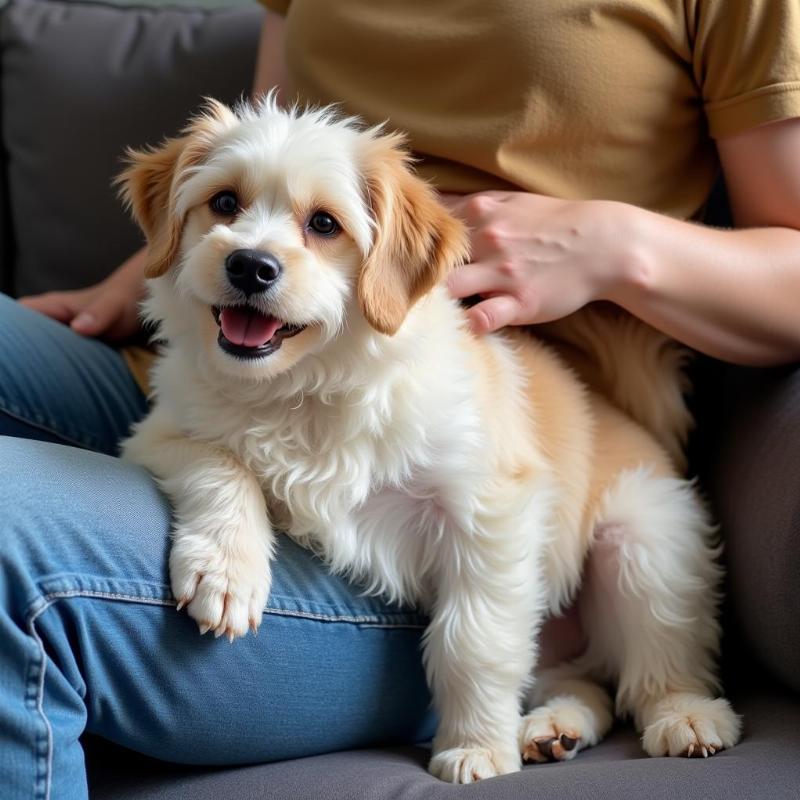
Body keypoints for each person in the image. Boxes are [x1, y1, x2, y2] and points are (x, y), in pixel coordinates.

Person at [2, 2, 800, 798]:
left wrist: (619, 247)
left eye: (322, 224)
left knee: (635, 528)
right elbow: (266, 145)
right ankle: (574, 696)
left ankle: (646, 688)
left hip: (470, 538)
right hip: (210, 373)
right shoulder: (237, 247)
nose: (258, 247)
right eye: (225, 210)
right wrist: (151, 265)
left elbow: (494, 520)